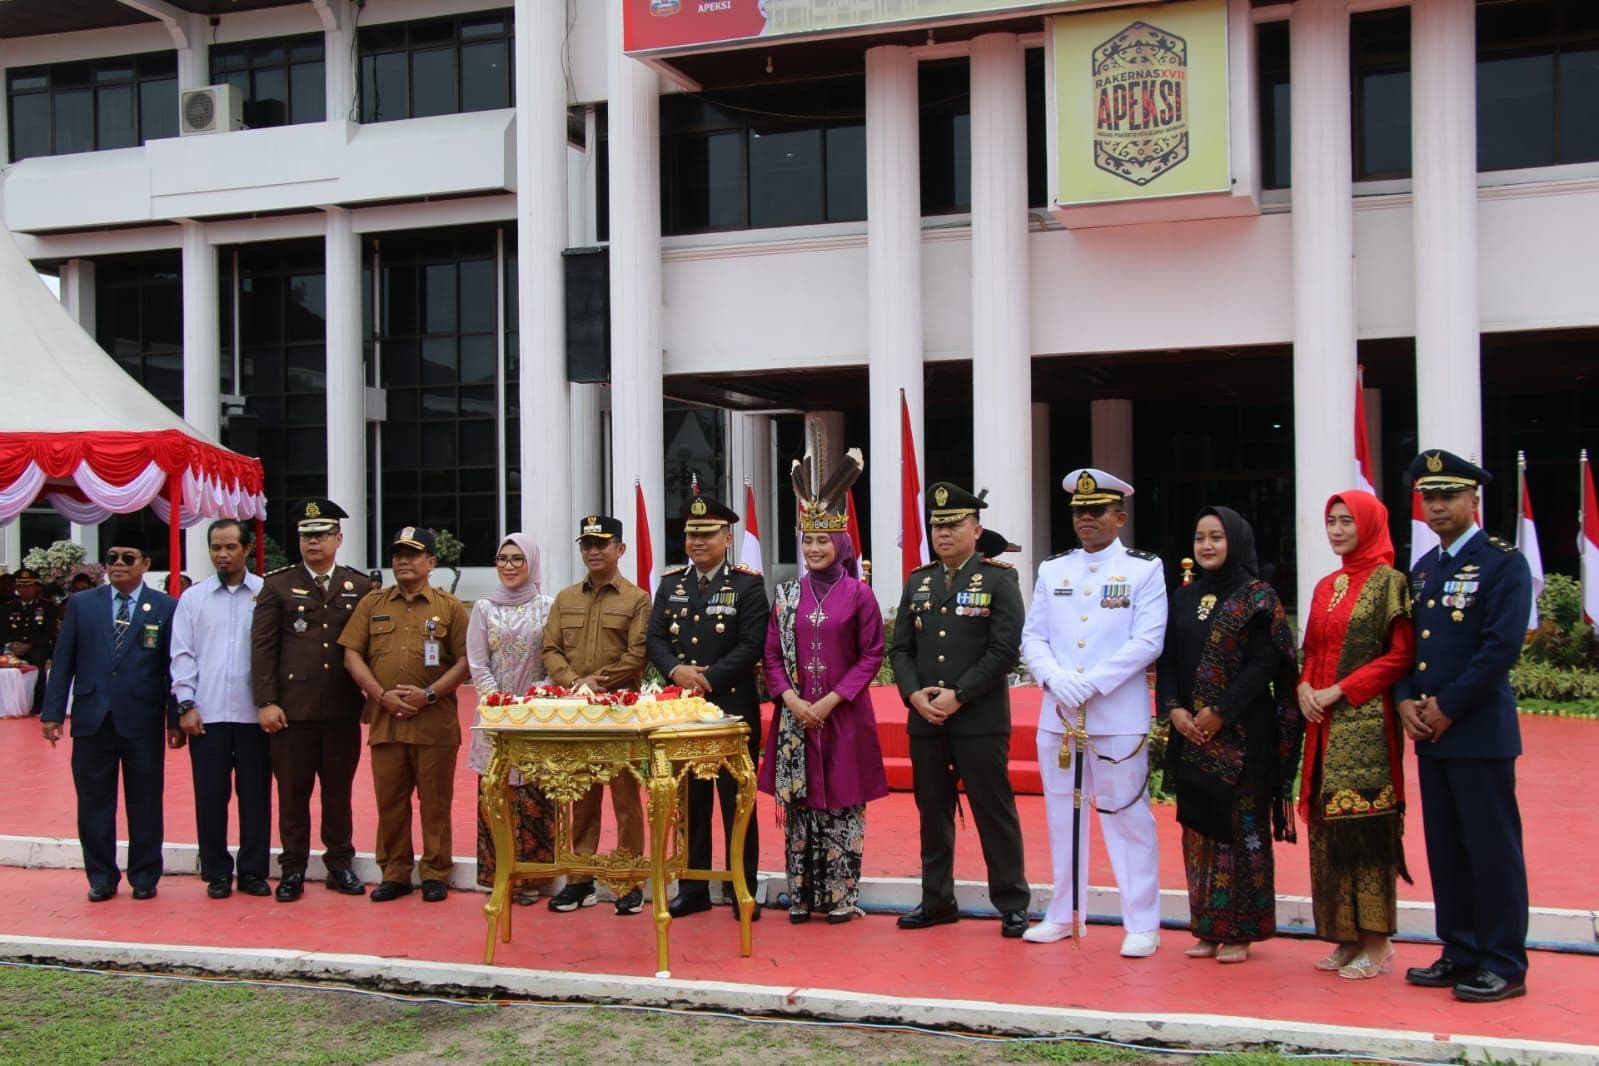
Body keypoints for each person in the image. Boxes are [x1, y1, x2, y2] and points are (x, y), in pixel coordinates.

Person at [1396, 450, 1533, 1003]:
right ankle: (1459, 949)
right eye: (1430, 497)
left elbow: (1500, 647)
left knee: (1492, 849)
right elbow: (1408, 646)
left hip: (1476, 732)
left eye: (1449, 495)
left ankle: (1503, 962)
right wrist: (1405, 699)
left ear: (1474, 499)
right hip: (1432, 734)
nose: (1438, 506)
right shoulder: (1425, 568)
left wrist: (1447, 705)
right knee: (1446, 848)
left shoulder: (1503, 562)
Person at [1020, 469, 1167, 957]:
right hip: (1059, 713)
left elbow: (1148, 641)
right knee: (1063, 816)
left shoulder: (1144, 570)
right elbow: (1033, 637)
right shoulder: (1053, 570)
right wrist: (1054, 679)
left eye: (1096, 511)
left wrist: (1092, 682)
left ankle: (1142, 920)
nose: (1085, 519)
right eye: (1079, 511)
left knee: (1127, 818)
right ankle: (1064, 912)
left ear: (1119, 517)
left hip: (1117, 714)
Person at [1157, 506, 1301, 964]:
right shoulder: (1183, 598)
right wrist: (1175, 710)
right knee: (1199, 833)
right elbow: (1170, 660)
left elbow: (1265, 666)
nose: (1206, 546)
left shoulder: (1258, 598)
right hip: (1191, 737)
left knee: (1242, 833)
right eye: (1200, 538)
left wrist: (1220, 712)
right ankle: (1206, 926)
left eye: (1216, 537)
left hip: (1242, 737)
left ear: (1235, 541)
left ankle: (1241, 929)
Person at [891, 482, 1030, 937]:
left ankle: (1011, 900)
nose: (943, 533)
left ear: (976, 529)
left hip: (978, 717)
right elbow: (902, 650)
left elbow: (1005, 649)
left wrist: (959, 695)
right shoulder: (919, 579)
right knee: (932, 811)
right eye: (937, 525)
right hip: (925, 717)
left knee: (994, 809)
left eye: (953, 524)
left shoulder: (997, 578)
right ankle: (936, 899)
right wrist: (914, 695)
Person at [759, 444, 888, 924]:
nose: (814, 549)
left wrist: (830, 701)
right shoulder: (787, 594)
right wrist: (792, 701)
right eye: (808, 540)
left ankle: (839, 897)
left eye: (824, 541)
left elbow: (872, 653)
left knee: (842, 805)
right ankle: (800, 896)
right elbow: (771, 654)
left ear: (842, 544)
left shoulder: (859, 594)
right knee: (801, 807)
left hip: (844, 717)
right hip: (796, 719)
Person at [1296, 490, 1416, 979]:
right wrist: (1305, 685)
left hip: (1364, 726)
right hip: (1322, 725)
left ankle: (1379, 943)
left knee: (1365, 833)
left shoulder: (1390, 582)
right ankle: (1345, 936)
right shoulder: (1327, 585)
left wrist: (1341, 690)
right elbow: (1310, 648)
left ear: (1368, 525)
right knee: (1329, 831)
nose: (1338, 530)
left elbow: (1400, 655)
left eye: (1348, 521)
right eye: (1331, 521)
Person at [647, 494, 770, 921]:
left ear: (727, 537)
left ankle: (741, 889)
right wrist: (677, 670)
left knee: (737, 803)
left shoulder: (748, 585)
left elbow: (753, 644)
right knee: (691, 801)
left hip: (731, 708)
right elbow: (656, 640)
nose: (698, 541)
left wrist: (709, 677)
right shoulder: (670, 584)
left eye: (707, 533)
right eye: (691, 534)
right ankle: (694, 888)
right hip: (682, 710)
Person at [40, 532, 181, 901]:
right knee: (94, 803)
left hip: (143, 719)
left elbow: (172, 668)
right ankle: (101, 877)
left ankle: (145, 875)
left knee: (146, 801)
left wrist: (174, 719)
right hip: (92, 718)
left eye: (128, 558)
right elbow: (64, 659)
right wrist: (52, 713)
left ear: (146, 565)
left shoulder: (165, 607)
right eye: (113, 557)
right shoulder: (83, 604)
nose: (118, 564)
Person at [251, 498, 374, 902]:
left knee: (338, 793)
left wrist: (373, 695)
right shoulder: (278, 585)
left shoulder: (360, 587)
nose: (313, 542)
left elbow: (371, 647)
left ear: (339, 538)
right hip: (293, 711)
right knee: (293, 794)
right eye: (306, 536)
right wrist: (266, 701)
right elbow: (263, 648)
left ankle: (340, 865)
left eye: (321, 535)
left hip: (341, 708)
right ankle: (293, 869)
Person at [341, 526, 470, 903]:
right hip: (387, 720)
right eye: (398, 553)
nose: (403, 561)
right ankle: (395, 872)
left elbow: (466, 661)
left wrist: (428, 693)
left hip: (434, 722)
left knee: (435, 803)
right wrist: (381, 695)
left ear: (431, 562)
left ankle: (435, 872)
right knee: (390, 802)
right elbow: (351, 654)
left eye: (412, 554)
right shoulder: (373, 604)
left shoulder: (449, 607)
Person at [538, 515, 651, 915]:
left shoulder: (636, 599)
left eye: (601, 544)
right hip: (575, 716)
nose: (592, 551)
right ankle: (580, 880)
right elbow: (550, 648)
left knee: (625, 799)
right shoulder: (565, 599)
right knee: (580, 798)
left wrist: (595, 684)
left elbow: (637, 654)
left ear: (620, 549)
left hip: (618, 713)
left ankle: (628, 881)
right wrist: (573, 683)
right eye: (586, 544)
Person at [170, 519, 272, 899]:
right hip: (207, 716)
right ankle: (215, 871)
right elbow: (181, 655)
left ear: (246, 549)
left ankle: (252, 871)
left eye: (230, 547)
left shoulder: (266, 594)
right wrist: (186, 704)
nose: (223, 554)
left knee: (256, 796)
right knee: (210, 797)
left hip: (253, 715)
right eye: (216, 547)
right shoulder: (194, 599)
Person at [469, 532, 557, 904]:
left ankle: (535, 879)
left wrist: (532, 702)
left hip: (535, 717)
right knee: (497, 796)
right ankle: (501, 876)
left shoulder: (548, 607)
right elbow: (477, 663)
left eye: (517, 559)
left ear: (532, 563)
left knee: (535, 797)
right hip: (496, 718)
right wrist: (499, 703)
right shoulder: (483, 608)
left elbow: (554, 659)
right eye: (502, 559)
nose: (508, 566)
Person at [1, 567, 58, 715]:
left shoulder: (47, 607)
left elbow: (49, 632)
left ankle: (38, 706)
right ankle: (10, 707)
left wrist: (30, 645)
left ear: (35, 587)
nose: (25, 589)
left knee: (39, 663)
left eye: (29, 586)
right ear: (17, 588)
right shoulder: (8, 607)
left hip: (36, 648)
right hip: (13, 649)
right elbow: (3, 630)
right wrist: (11, 644)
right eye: (21, 586)